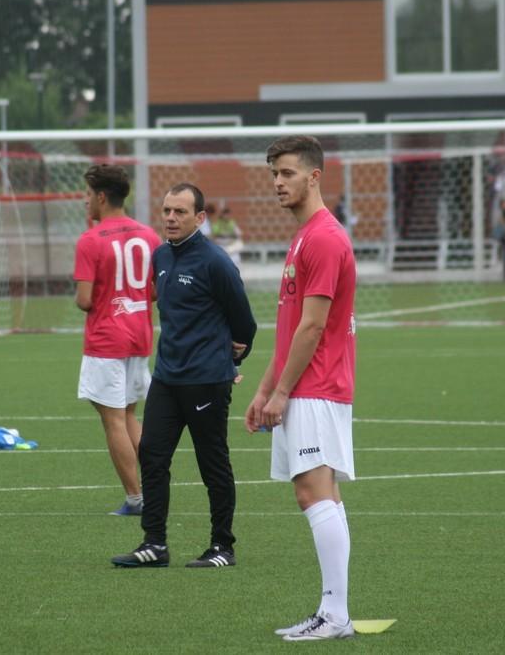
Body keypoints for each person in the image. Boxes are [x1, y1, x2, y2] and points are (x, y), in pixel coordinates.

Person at [245, 136, 357, 642]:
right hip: (303, 385)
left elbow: (312, 328)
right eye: (274, 174)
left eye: (287, 173)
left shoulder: (325, 238)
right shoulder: (303, 237)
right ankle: (332, 611)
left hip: (317, 386)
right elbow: (290, 328)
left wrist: (283, 392)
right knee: (315, 494)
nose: (277, 183)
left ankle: (335, 616)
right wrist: (264, 388)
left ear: (314, 176)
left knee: (314, 491)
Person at [111, 182, 257, 569]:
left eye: (180, 212)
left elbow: (245, 323)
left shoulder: (216, 262)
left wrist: (232, 364)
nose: (171, 218)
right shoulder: (160, 255)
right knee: (152, 455)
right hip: (167, 376)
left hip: (207, 379)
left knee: (213, 462)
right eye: (167, 211)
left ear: (200, 218)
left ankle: (222, 546)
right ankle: (154, 543)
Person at [73, 164, 161, 516]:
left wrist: (107, 298)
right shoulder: (149, 235)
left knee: (113, 420)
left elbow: (84, 299)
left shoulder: (90, 240)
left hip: (107, 339)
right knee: (128, 416)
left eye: (86, 195)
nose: (85, 202)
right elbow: (154, 289)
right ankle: (154, 490)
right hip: (139, 336)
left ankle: (137, 498)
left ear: (101, 196)